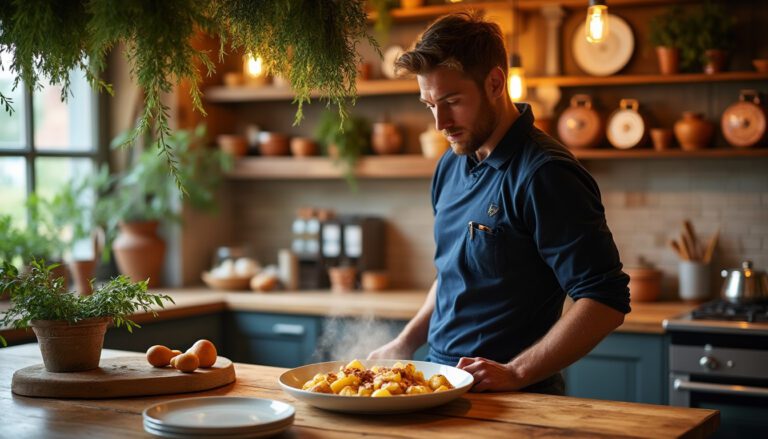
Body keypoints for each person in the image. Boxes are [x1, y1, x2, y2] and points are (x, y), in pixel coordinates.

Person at [367, 12, 630, 395]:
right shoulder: (451, 163)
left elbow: (605, 300)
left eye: (452, 101)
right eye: (429, 104)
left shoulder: (545, 174)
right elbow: (452, 274)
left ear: (494, 83)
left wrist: (517, 372)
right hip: (437, 387)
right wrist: (404, 343)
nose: (440, 122)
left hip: (515, 399)